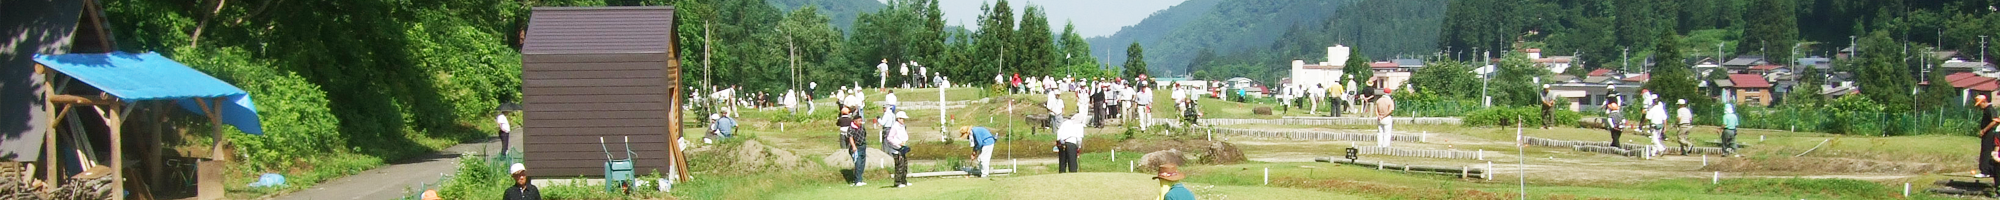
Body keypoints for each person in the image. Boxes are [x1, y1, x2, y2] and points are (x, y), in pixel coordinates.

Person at [838, 107, 870, 186]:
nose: (860, 122)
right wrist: (854, 146)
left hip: (863, 146)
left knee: (862, 164)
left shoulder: (862, 127)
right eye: (859, 120)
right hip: (856, 147)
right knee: (858, 163)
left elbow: (864, 134)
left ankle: (860, 179)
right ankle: (857, 181)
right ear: (855, 121)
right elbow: (850, 138)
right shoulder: (851, 128)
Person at [885, 111, 912, 187]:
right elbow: (889, 138)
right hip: (896, 149)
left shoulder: (903, 126)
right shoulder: (895, 127)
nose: (904, 120)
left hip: (902, 148)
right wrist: (898, 143)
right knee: (899, 166)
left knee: (904, 166)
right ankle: (897, 182)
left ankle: (904, 181)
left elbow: (904, 135)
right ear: (899, 118)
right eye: (902, 119)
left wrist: (904, 142)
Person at [1643, 92, 1668, 157]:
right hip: (1660, 125)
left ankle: (1661, 148)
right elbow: (1665, 119)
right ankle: (1653, 152)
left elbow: (1647, 118)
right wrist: (1665, 127)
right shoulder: (1661, 109)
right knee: (1656, 139)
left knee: (1654, 139)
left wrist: (1642, 124)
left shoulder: (1652, 109)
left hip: (1654, 125)